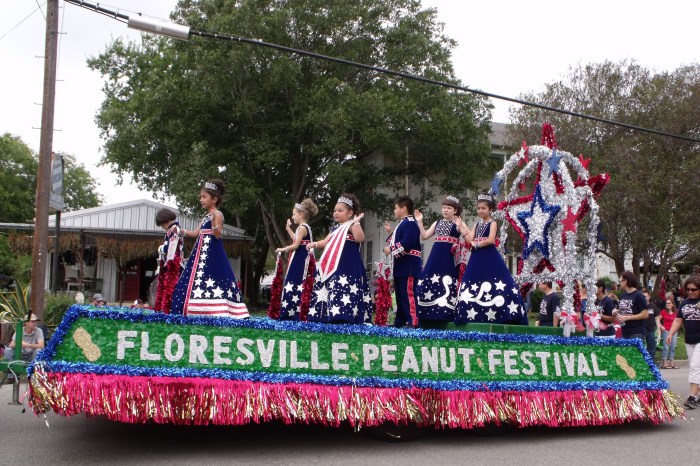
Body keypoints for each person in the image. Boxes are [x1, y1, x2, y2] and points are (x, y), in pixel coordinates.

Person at [170, 180, 249, 318]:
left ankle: (217, 309)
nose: (201, 200)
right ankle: (194, 308)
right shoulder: (205, 216)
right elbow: (196, 234)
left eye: (204, 197)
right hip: (200, 255)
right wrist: (179, 230)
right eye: (201, 197)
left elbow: (218, 235)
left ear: (214, 199)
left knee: (214, 278)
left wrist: (213, 224)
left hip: (212, 253)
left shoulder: (218, 215)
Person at [455, 194, 527, 325]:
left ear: (491, 210)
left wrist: (477, 244)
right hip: (477, 257)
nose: (480, 211)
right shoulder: (476, 225)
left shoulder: (492, 223)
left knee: (499, 281)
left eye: (483, 208)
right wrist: (461, 227)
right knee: (470, 280)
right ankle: (471, 312)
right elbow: (470, 239)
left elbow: (491, 240)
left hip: (488, 255)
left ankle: (503, 311)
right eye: (478, 208)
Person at [307, 193, 372, 324]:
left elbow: (360, 238)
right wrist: (314, 244)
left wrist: (357, 222)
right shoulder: (334, 229)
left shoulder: (351, 225)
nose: (336, 213)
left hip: (348, 265)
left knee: (347, 287)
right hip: (334, 266)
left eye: (340, 210)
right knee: (333, 286)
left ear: (350, 213)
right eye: (335, 210)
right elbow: (325, 242)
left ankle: (346, 315)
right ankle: (330, 315)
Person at [413, 196, 464, 322]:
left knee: (448, 281)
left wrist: (461, 226)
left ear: (455, 211)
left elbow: (466, 236)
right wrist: (419, 221)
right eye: (444, 207)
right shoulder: (437, 223)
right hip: (435, 257)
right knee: (428, 279)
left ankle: (447, 313)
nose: (445, 210)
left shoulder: (457, 224)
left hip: (449, 258)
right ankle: (426, 314)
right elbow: (424, 236)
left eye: (449, 208)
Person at [275, 198, 319, 320]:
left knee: (294, 281)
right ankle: (295, 311)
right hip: (302, 259)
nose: (293, 216)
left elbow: (295, 245)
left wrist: (282, 249)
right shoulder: (305, 227)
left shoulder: (302, 227)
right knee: (298, 283)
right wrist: (288, 229)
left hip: (300, 260)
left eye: (294, 214)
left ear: (302, 214)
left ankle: (291, 312)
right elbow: (296, 238)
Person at [384, 196, 422, 327]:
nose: (394, 211)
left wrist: (390, 249)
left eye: (396, 208)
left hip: (409, 266)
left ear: (404, 209)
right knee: (400, 296)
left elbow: (407, 243)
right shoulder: (403, 223)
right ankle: (399, 321)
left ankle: (413, 321)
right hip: (401, 267)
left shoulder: (410, 223)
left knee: (408, 294)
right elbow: (398, 240)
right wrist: (390, 235)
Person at [666, 276, 700, 409]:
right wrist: (670, 333)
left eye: (694, 289)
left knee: (695, 367)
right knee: (695, 367)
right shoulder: (684, 303)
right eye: (688, 289)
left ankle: (692, 397)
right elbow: (678, 320)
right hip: (689, 340)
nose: (691, 292)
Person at [154, 207, 183, 314]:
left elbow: (170, 247)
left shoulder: (174, 229)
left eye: (162, 225)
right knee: (165, 287)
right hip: (169, 263)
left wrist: (161, 248)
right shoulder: (173, 230)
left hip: (172, 265)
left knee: (169, 288)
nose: (163, 228)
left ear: (166, 220)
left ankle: (168, 310)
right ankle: (163, 309)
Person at [615, 271, 649, 340]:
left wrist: (628, 317)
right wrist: (616, 311)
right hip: (625, 331)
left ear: (625, 281)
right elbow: (623, 311)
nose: (619, 283)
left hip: (636, 332)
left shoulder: (639, 295)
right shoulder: (622, 295)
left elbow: (645, 314)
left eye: (620, 280)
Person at [658, 298, 679, 369]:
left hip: (674, 332)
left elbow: (678, 321)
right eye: (667, 303)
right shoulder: (663, 311)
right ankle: (664, 363)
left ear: (672, 304)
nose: (668, 304)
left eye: (669, 303)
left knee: (673, 347)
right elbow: (657, 319)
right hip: (666, 331)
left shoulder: (676, 312)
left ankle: (672, 362)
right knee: (666, 347)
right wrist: (661, 326)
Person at [642, 289, 659, 360]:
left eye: (646, 296)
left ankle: (651, 363)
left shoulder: (653, 306)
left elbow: (657, 318)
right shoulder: (640, 306)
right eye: (643, 296)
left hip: (650, 330)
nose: (644, 298)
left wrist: (658, 328)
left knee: (652, 348)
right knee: (640, 347)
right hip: (641, 330)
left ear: (649, 297)